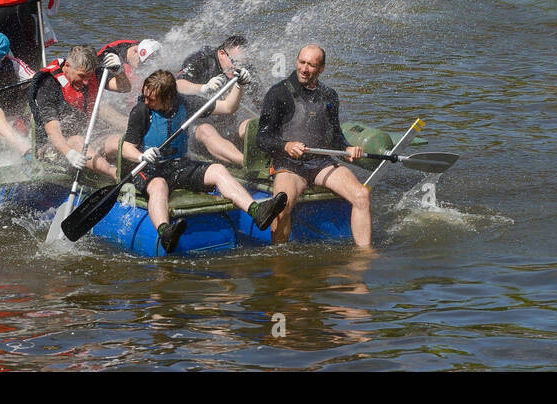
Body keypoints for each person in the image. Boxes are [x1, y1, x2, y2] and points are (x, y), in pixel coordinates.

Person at [121, 70, 288, 254]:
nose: (146, 101)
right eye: (145, 96)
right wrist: (141, 156)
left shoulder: (184, 103)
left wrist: (239, 85)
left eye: (151, 99)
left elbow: (227, 107)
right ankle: (165, 231)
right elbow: (127, 147)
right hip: (150, 168)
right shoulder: (141, 111)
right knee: (159, 185)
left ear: (169, 98)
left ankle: (257, 211)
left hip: (179, 165)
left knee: (218, 169)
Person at [255, 44, 372, 248]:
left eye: (311, 65)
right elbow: (262, 138)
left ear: (321, 69)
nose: (304, 69)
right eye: (302, 62)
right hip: (289, 165)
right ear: (297, 61)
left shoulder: (329, 96)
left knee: (361, 194)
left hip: (321, 164)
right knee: (282, 207)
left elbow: (335, 137)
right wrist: (286, 145)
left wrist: (347, 148)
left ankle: (364, 255)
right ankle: (279, 261)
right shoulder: (278, 93)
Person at [30, 45, 130, 178]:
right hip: (55, 148)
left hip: (87, 139)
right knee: (77, 141)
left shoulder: (93, 73)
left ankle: (142, 152)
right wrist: (68, 153)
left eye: (89, 77)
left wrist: (119, 72)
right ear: (67, 66)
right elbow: (52, 129)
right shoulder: (48, 85)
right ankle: (116, 175)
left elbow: (124, 88)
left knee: (115, 140)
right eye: (82, 76)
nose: (86, 82)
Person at [173, 35, 254, 165]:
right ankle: (248, 163)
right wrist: (203, 88)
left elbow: (260, 103)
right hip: (196, 127)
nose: (238, 68)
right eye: (235, 62)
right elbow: (177, 85)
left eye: (242, 64)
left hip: (227, 124)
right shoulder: (200, 59)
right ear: (222, 53)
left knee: (251, 125)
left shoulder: (245, 69)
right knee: (206, 129)